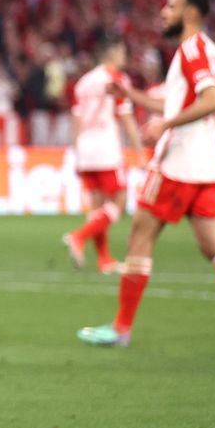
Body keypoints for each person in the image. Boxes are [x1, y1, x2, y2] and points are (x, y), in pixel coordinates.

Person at [78, 0, 215, 350]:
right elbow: (179, 102)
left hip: (177, 164)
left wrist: (165, 125)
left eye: (171, 6)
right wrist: (132, 97)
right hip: (204, 165)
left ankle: (121, 328)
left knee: (139, 236)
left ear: (190, 13)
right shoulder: (207, 49)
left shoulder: (191, 50)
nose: (163, 11)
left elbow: (211, 101)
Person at [62, 38, 142, 273]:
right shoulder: (116, 79)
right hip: (106, 148)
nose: (124, 57)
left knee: (97, 206)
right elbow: (126, 117)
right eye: (122, 52)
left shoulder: (83, 82)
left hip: (85, 149)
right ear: (112, 53)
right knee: (120, 202)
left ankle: (104, 259)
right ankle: (79, 236)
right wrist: (139, 151)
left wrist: (76, 152)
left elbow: (75, 119)